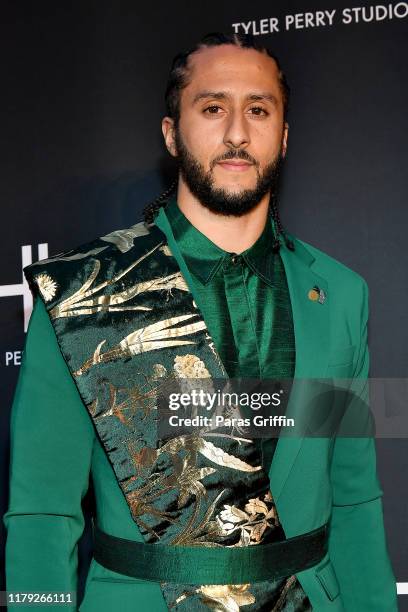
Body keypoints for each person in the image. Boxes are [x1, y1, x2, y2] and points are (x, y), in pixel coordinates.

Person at [3, 32, 397, 611]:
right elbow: (43, 513)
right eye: (213, 107)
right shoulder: (84, 292)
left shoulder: (339, 295)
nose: (237, 132)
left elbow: (356, 502)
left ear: (283, 138)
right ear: (171, 133)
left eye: (258, 110)